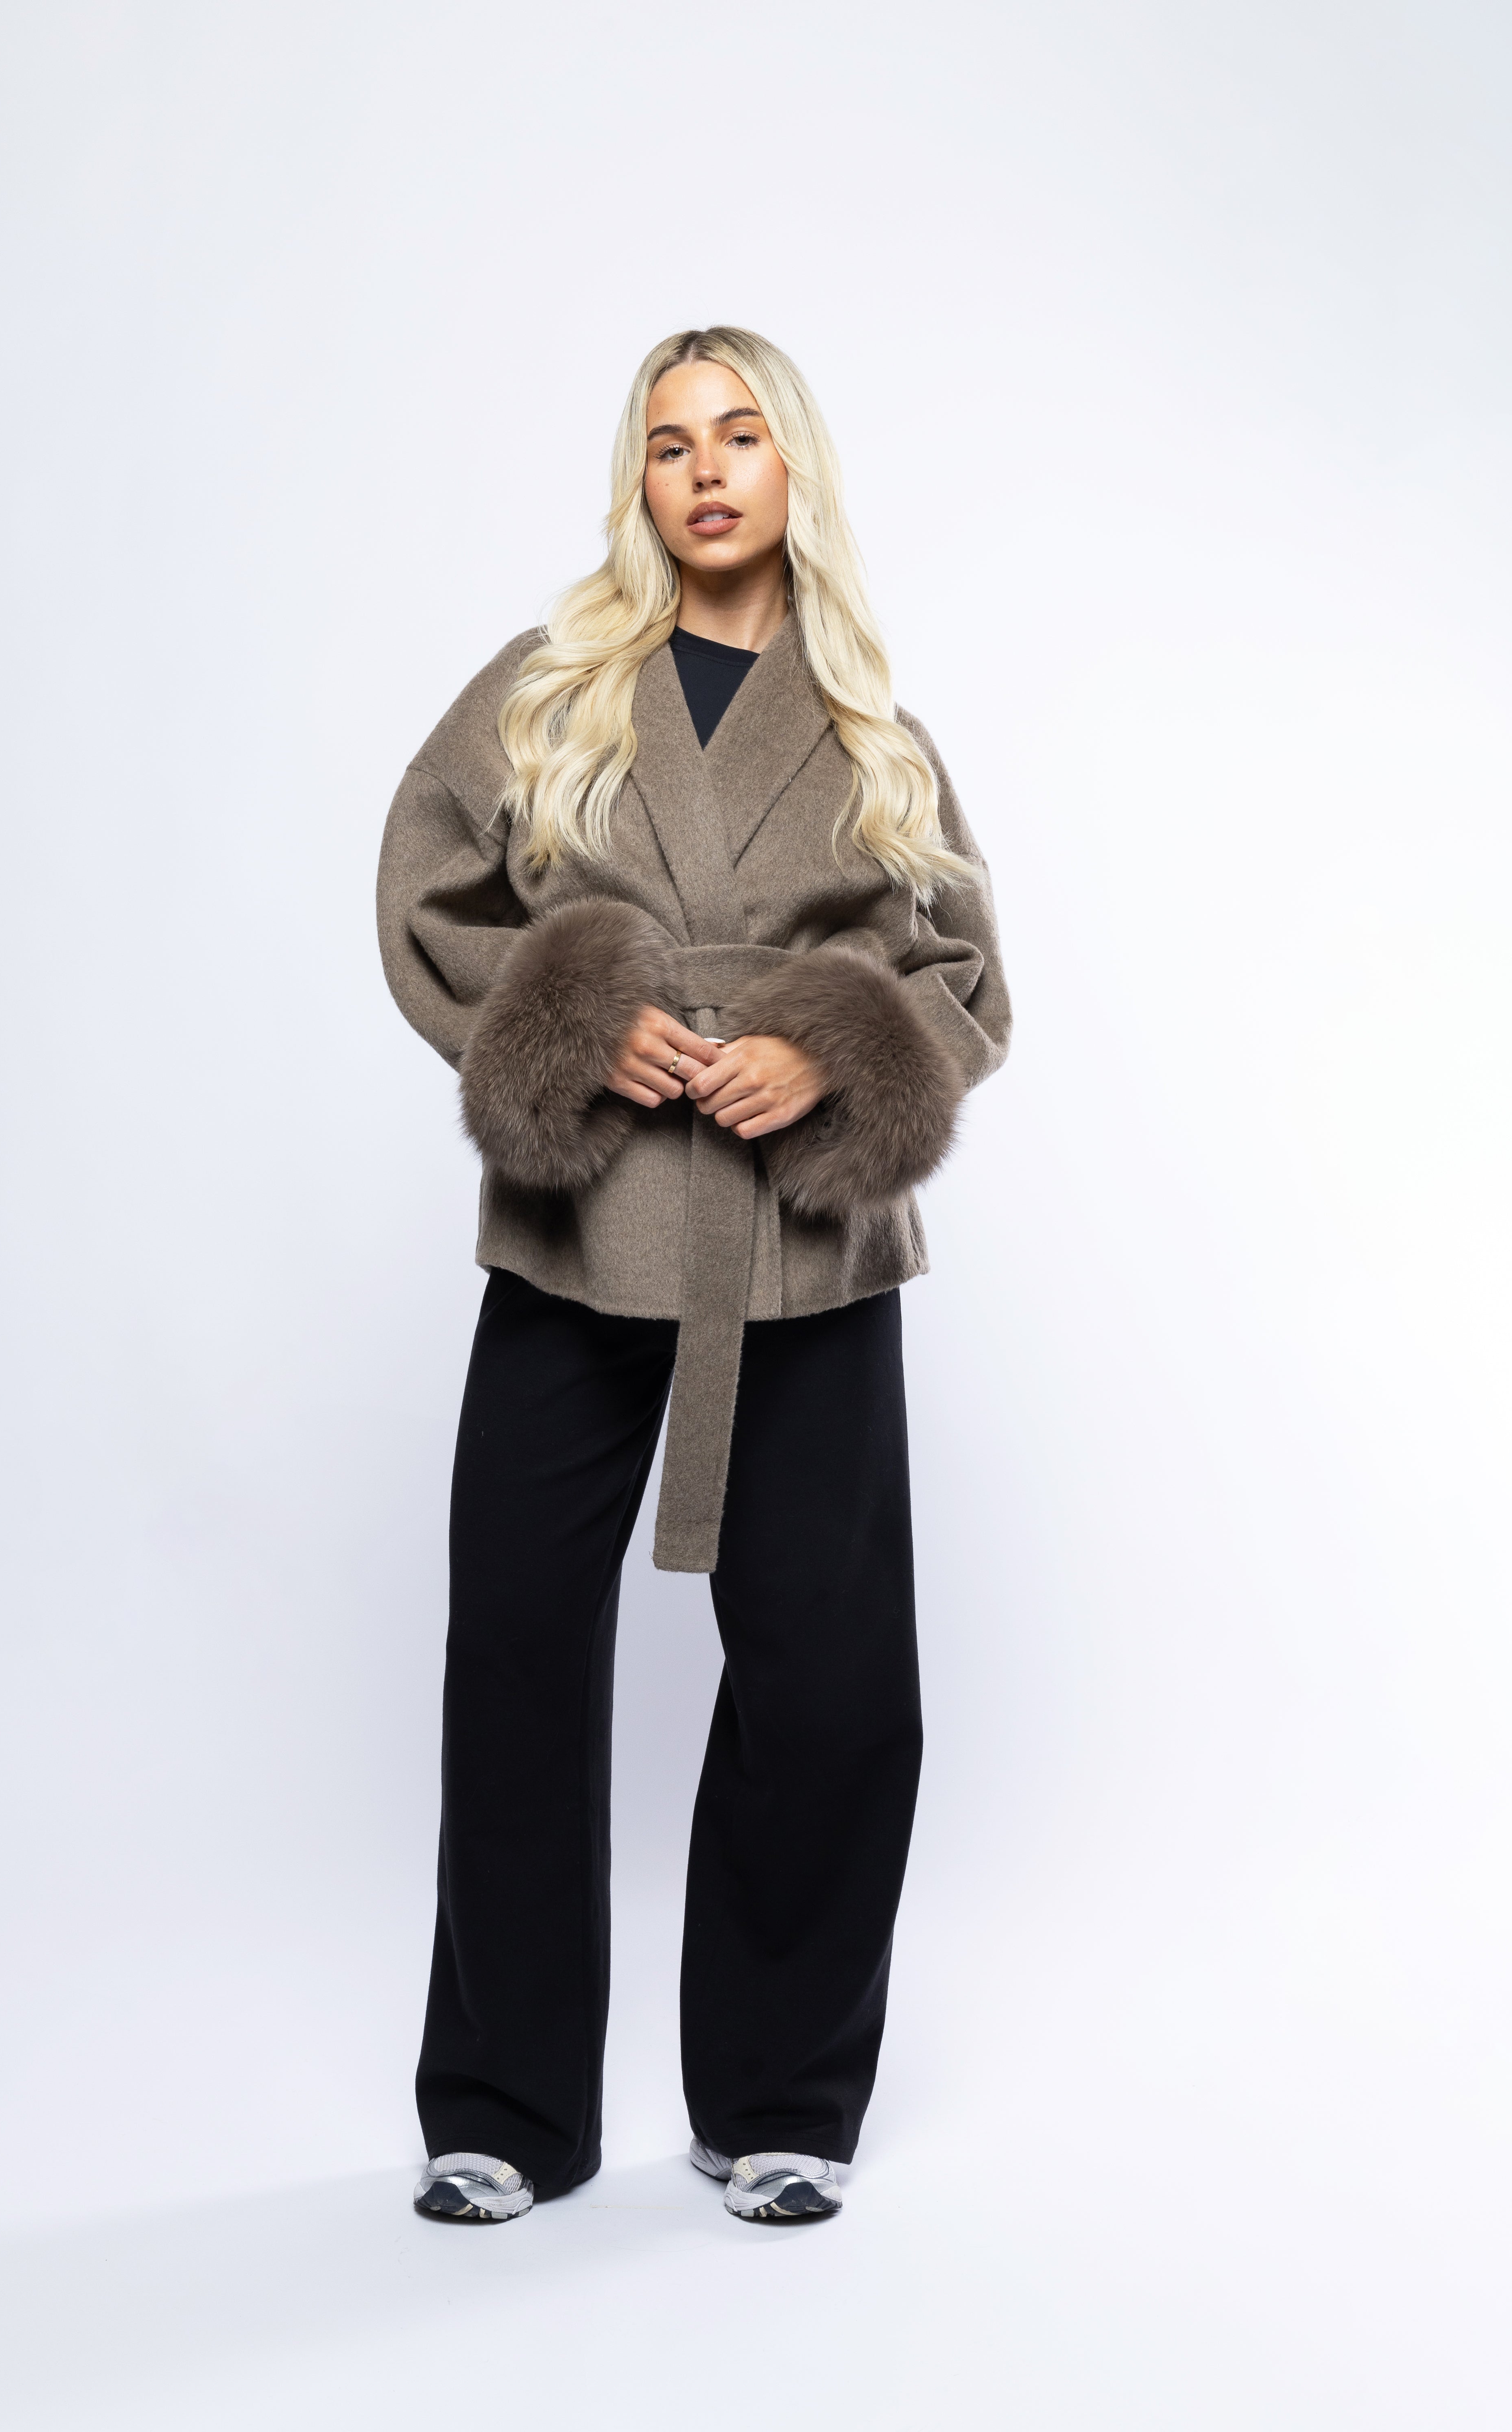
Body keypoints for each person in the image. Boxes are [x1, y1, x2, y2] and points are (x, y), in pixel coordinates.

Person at [376, 325, 1011, 2226]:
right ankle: (507, 2110)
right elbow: (425, 894)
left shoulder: (873, 727)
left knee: (832, 1676)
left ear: (791, 466)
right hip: (586, 1219)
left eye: (740, 436)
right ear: (639, 482)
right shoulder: (554, 686)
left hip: (805, 1233)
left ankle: (778, 2101)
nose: (707, 470)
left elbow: (969, 981)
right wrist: (571, 1016)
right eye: (669, 444)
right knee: (515, 1647)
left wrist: (834, 1050)